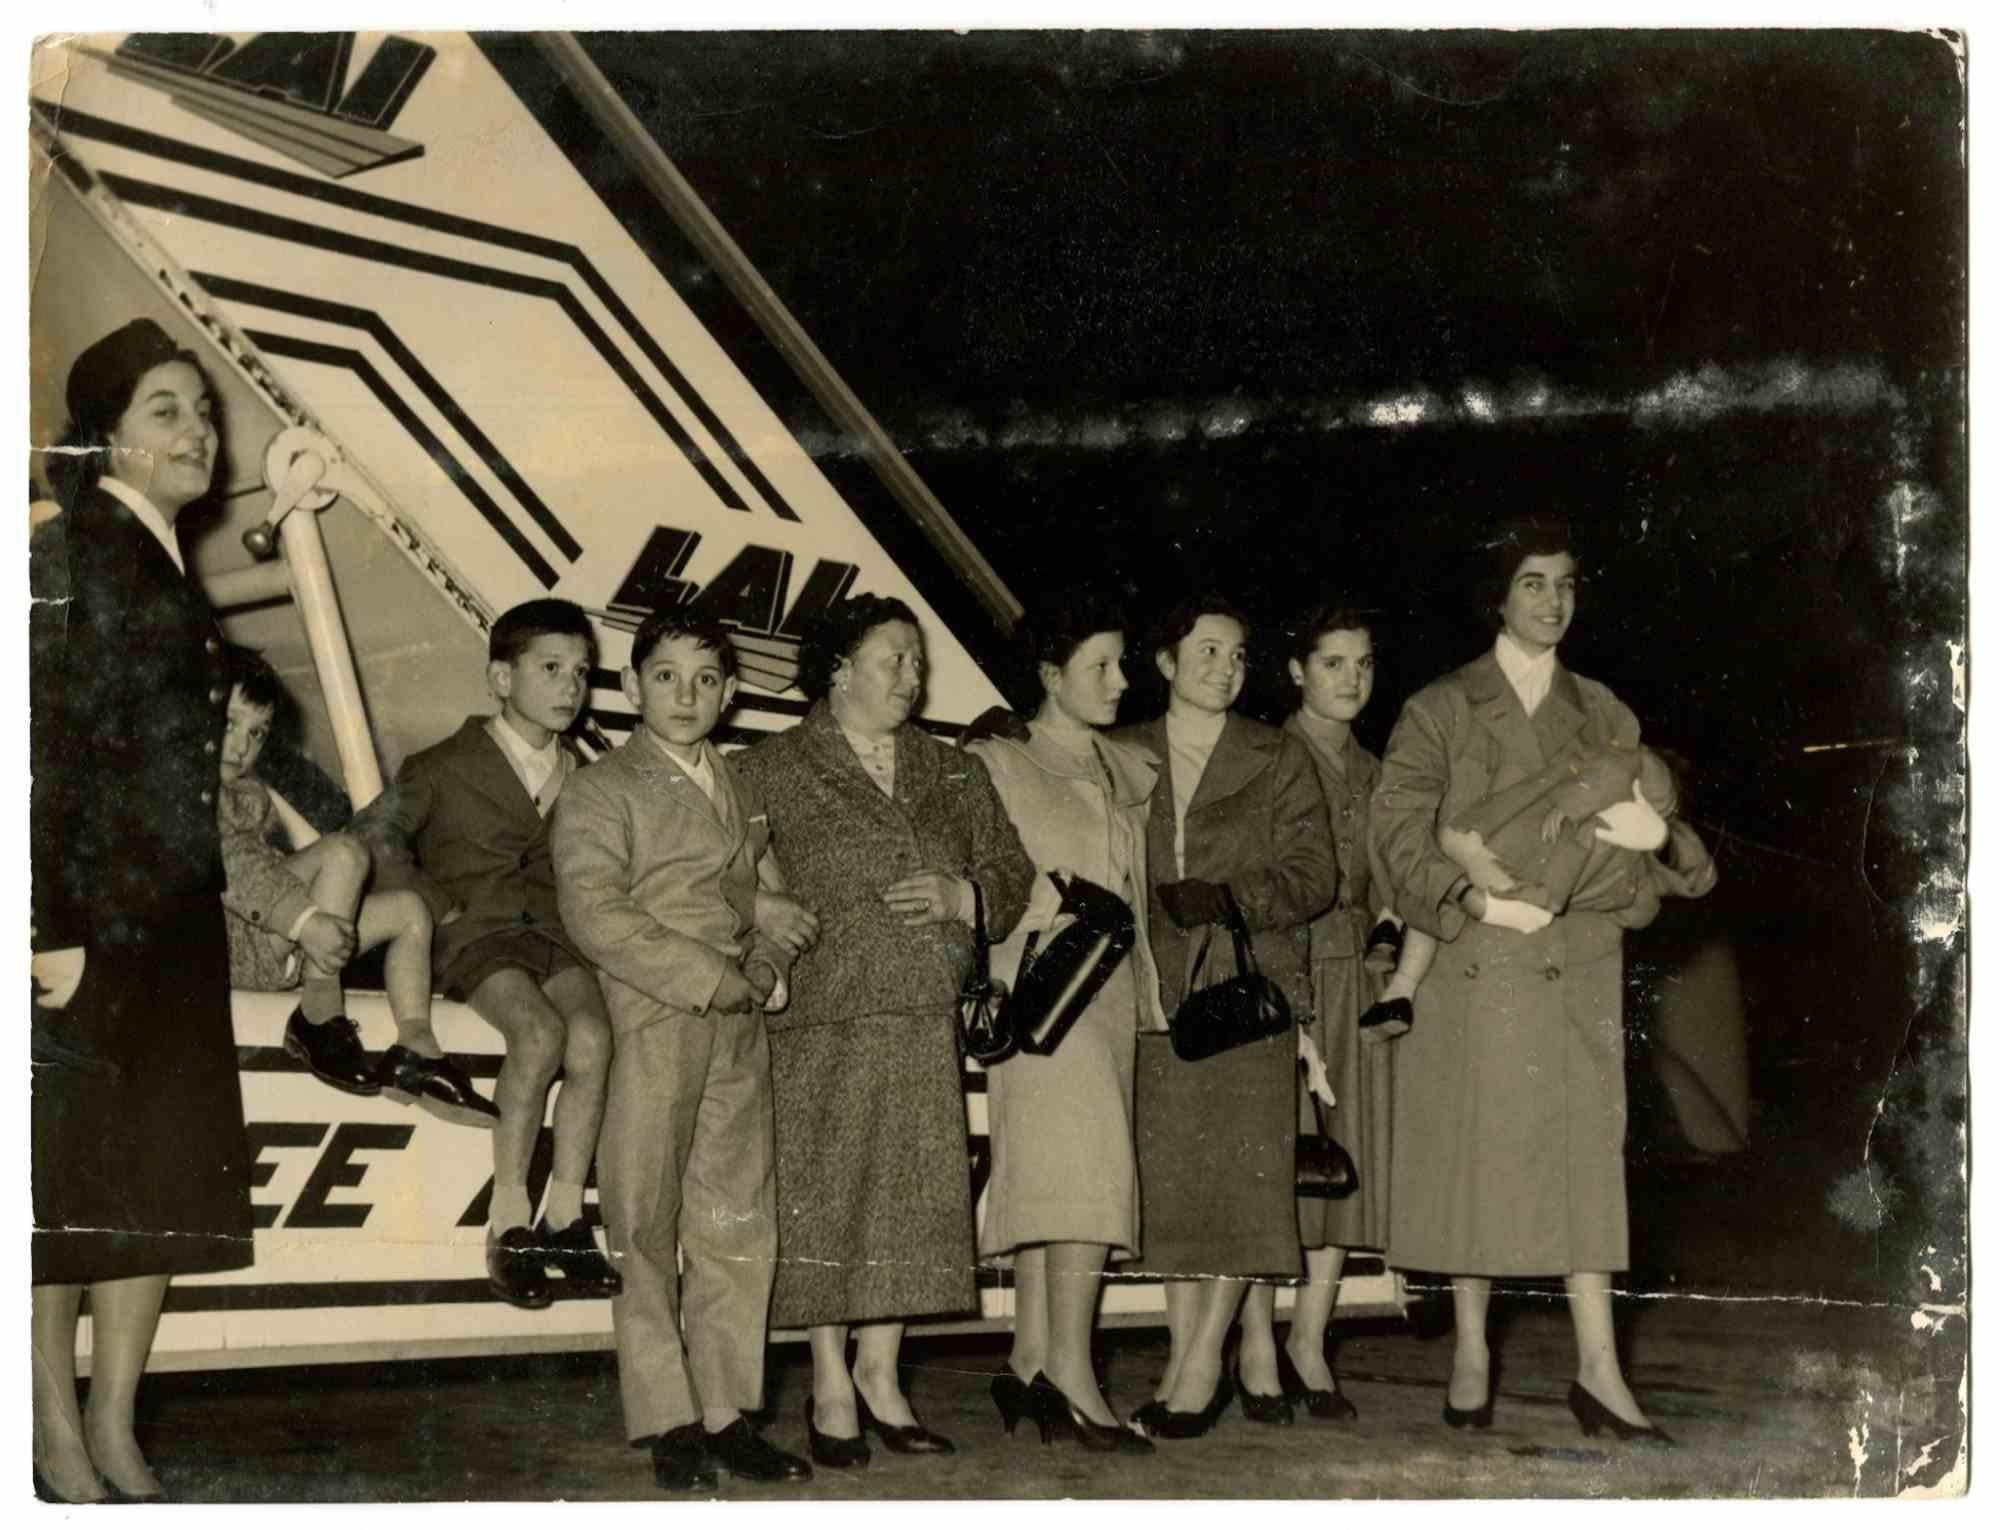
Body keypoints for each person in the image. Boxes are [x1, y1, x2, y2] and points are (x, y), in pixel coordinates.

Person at [1370, 515, 1718, 1444]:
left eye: (1566, 583)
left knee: (1583, 1172)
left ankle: (1600, 1371)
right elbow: (1397, 832)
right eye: (1533, 582)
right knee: (1477, 1167)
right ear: (1498, 595)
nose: (1553, 601)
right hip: (1478, 965)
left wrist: (1650, 851)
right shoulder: (1439, 707)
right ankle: (1473, 1350)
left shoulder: (1604, 711)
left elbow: (1644, 856)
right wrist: (1475, 903)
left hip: (1575, 971)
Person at [30, 318, 252, 1502]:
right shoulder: (76, 550)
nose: (196, 431)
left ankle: (113, 1424)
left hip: (168, 925)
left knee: (152, 1182)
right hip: (89, 933)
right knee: (66, 1185)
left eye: (202, 411)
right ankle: (51, 1432)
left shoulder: (157, 553)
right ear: (106, 434)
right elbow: (43, 752)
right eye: (165, 409)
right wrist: (45, 930)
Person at [734, 595, 1034, 1470]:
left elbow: (1009, 873)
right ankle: (829, 1381)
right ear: (838, 669)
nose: (913, 676)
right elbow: (720, 872)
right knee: (828, 1197)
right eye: (893, 659)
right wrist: (762, 907)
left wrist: (965, 899)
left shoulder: (953, 770)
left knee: (909, 1201)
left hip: (918, 1013)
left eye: (916, 661)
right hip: (820, 1010)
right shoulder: (768, 768)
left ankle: (881, 1374)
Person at [551, 612, 813, 1492]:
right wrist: (711, 975)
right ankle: (668, 1417)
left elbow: (768, 897)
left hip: (738, 1022)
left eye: (705, 680)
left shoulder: (735, 783)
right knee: (645, 1219)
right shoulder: (600, 790)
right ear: (631, 688)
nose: (686, 696)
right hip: (653, 1017)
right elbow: (596, 914)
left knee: (737, 1218)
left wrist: (767, 966)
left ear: (731, 695)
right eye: (665, 677)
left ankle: (727, 1412)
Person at [351, 598, 621, 1310]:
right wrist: (437, 907)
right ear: (501, 679)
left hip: (556, 937)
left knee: (593, 1036)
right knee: (538, 1033)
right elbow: (370, 840)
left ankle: (564, 1217)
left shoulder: (589, 775)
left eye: (582, 672)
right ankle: (508, 1223)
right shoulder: (441, 764)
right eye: (552, 669)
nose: (572, 687)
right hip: (476, 939)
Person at [1113, 595, 1340, 1439]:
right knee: (1177, 1194)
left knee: (1242, 1191)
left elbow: (1316, 873)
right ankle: (1183, 1359)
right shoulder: (1121, 749)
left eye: (1238, 656)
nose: (1224, 668)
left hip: (1250, 988)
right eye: (1206, 652)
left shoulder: (1275, 755)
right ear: (1166, 663)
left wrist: (1233, 897)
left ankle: (1200, 1366)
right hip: (1150, 993)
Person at [960, 596, 1164, 1456]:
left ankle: (1032, 1361)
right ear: (1049, 677)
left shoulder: (1128, 769)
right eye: (1100, 667)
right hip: (1043, 996)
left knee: (1058, 1182)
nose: (1120, 682)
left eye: (1122, 665)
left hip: (1112, 995)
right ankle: (1077, 1379)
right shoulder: (997, 762)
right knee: (1082, 1178)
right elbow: (987, 882)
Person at [1235, 605, 1394, 1422]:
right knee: (1279, 1160)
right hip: (1284, 974)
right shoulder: (1264, 755)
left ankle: (1311, 1339)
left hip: (1356, 981)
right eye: (1333, 663)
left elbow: (1394, 880)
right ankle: (1258, 1342)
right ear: (1296, 671)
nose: (1351, 679)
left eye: (1363, 664)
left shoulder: (1378, 769)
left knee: (1343, 1162)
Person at [217, 644, 454, 1105]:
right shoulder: (187, 791)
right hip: (234, 944)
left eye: (257, 733)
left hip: (282, 941)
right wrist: (306, 921)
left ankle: (415, 1041)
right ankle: (320, 1015)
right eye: (229, 724)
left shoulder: (250, 793)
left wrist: (310, 920)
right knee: (345, 852)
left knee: (409, 910)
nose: (242, 745)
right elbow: (234, 864)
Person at [1363, 739, 1686, 1036]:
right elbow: (1640, 909)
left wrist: (1570, 807)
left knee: (1439, 865)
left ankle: (1391, 931)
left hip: (1517, 848)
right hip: (1531, 871)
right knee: (1443, 879)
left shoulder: (1637, 786)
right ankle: (1398, 970)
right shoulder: (1640, 817)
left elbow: (1609, 773)